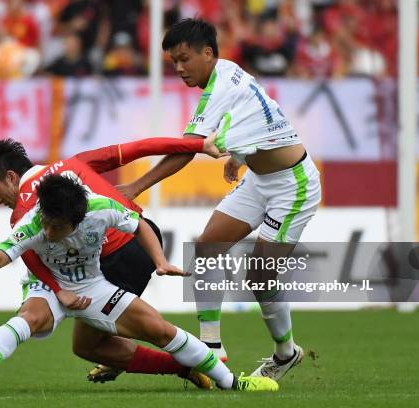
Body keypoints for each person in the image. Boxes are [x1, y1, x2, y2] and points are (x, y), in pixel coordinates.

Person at [0, 173, 279, 395]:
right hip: (49, 286)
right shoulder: (34, 222)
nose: (48, 233)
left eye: (56, 228)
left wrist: (159, 261)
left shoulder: (101, 209)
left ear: (78, 219)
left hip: (92, 285)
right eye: (46, 224)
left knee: (159, 329)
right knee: (30, 319)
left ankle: (233, 382)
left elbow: (141, 225)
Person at [117, 18, 322, 381]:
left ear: (207, 53)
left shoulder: (218, 89)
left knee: (260, 275)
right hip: (260, 180)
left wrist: (136, 187)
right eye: (173, 62)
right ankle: (211, 347)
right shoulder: (227, 72)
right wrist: (240, 156)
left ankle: (286, 353)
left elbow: (186, 150)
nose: (179, 68)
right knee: (207, 247)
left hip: (294, 187)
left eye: (184, 59)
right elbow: (263, 117)